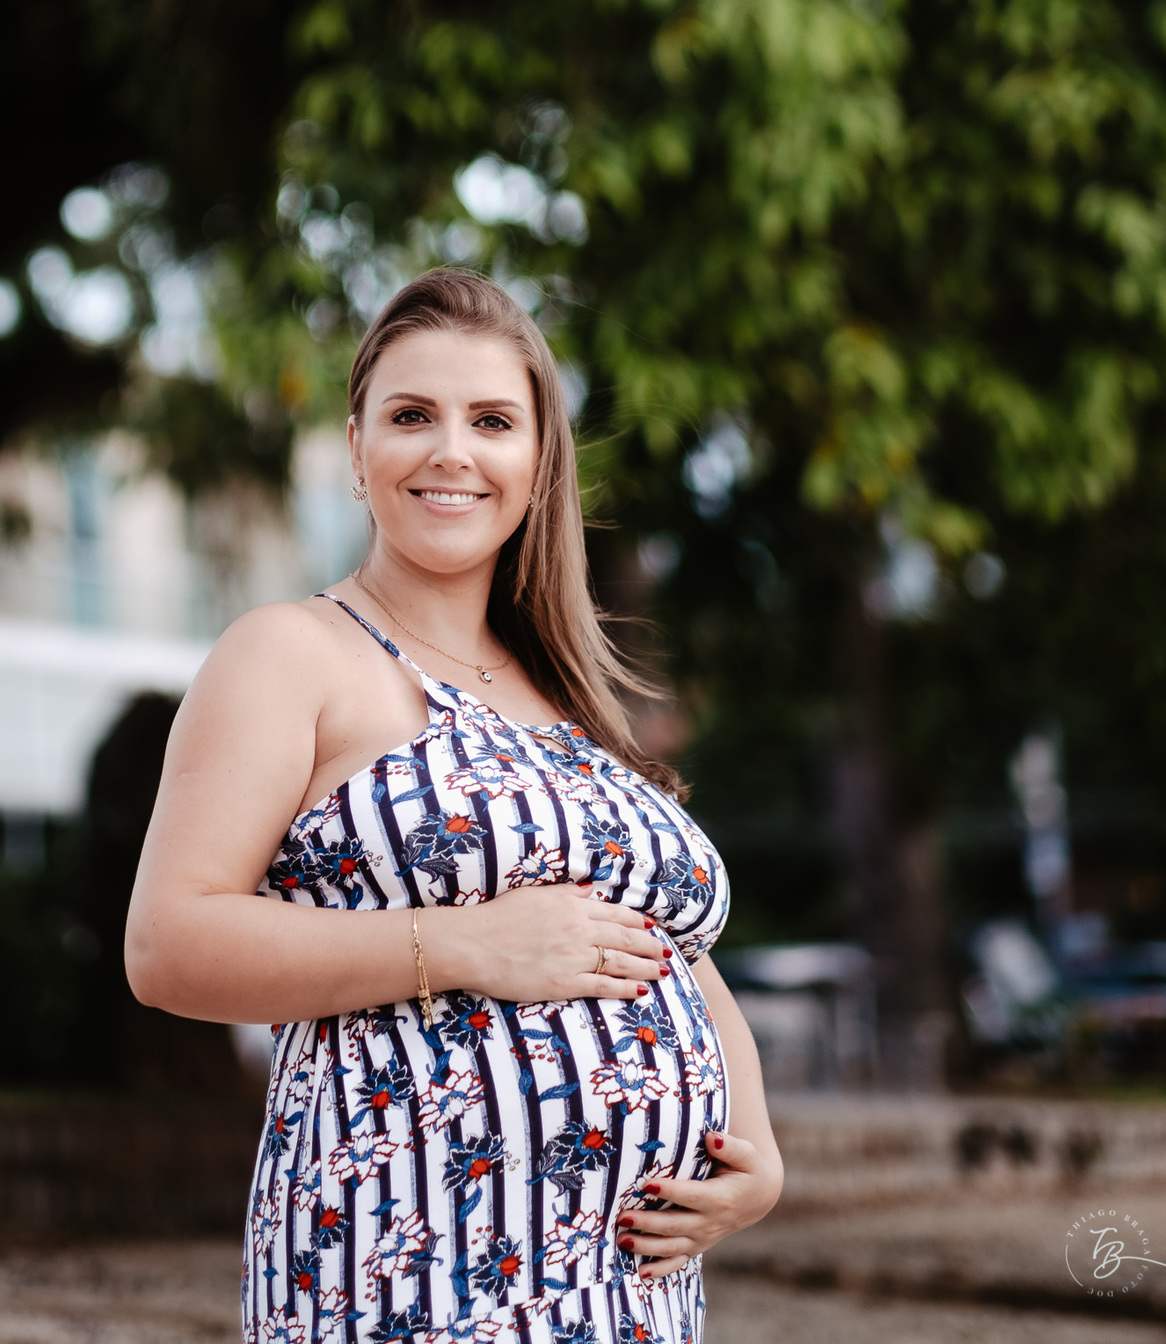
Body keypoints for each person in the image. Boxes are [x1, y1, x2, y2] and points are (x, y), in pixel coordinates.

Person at [126, 267, 783, 1344]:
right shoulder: (291, 654)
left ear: (537, 463)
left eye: (491, 421)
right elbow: (168, 944)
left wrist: (753, 1153)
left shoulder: (568, 695)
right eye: (411, 416)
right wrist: (467, 942)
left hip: (626, 1289)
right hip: (413, 1273)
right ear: (354, 450)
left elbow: (669, 949)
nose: (451, 451)